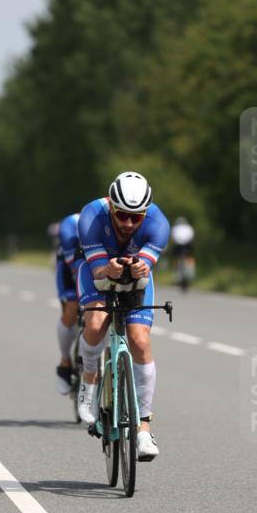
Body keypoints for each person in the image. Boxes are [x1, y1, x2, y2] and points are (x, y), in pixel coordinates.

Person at [76, 171, 170, 461]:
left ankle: (143, 429)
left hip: (136, 280)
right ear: (111, 206)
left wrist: (142, 266)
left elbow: (146, 266)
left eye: (136, 217)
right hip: (98, 273)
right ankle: (88, 380)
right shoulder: (91, 216)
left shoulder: (159, 224)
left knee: (140, 342)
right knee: (95, 323)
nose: (129, 223)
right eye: (122, 215)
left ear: (146, 212)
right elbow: (98, 273)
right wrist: (108, 270)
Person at [54, 213, 82, 394]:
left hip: (99, 267)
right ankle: (65, 361)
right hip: (70, 268)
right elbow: (76, 269)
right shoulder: (68, 229)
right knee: (72, 309)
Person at [170, 216, 195, 288]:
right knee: (190, 257)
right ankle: (191, 271)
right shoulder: (189, 228)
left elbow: (173, 238)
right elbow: (191, 238)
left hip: (179, 246)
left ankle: (176, 273)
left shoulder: (175, 228)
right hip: (188, 246)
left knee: (176, 258)